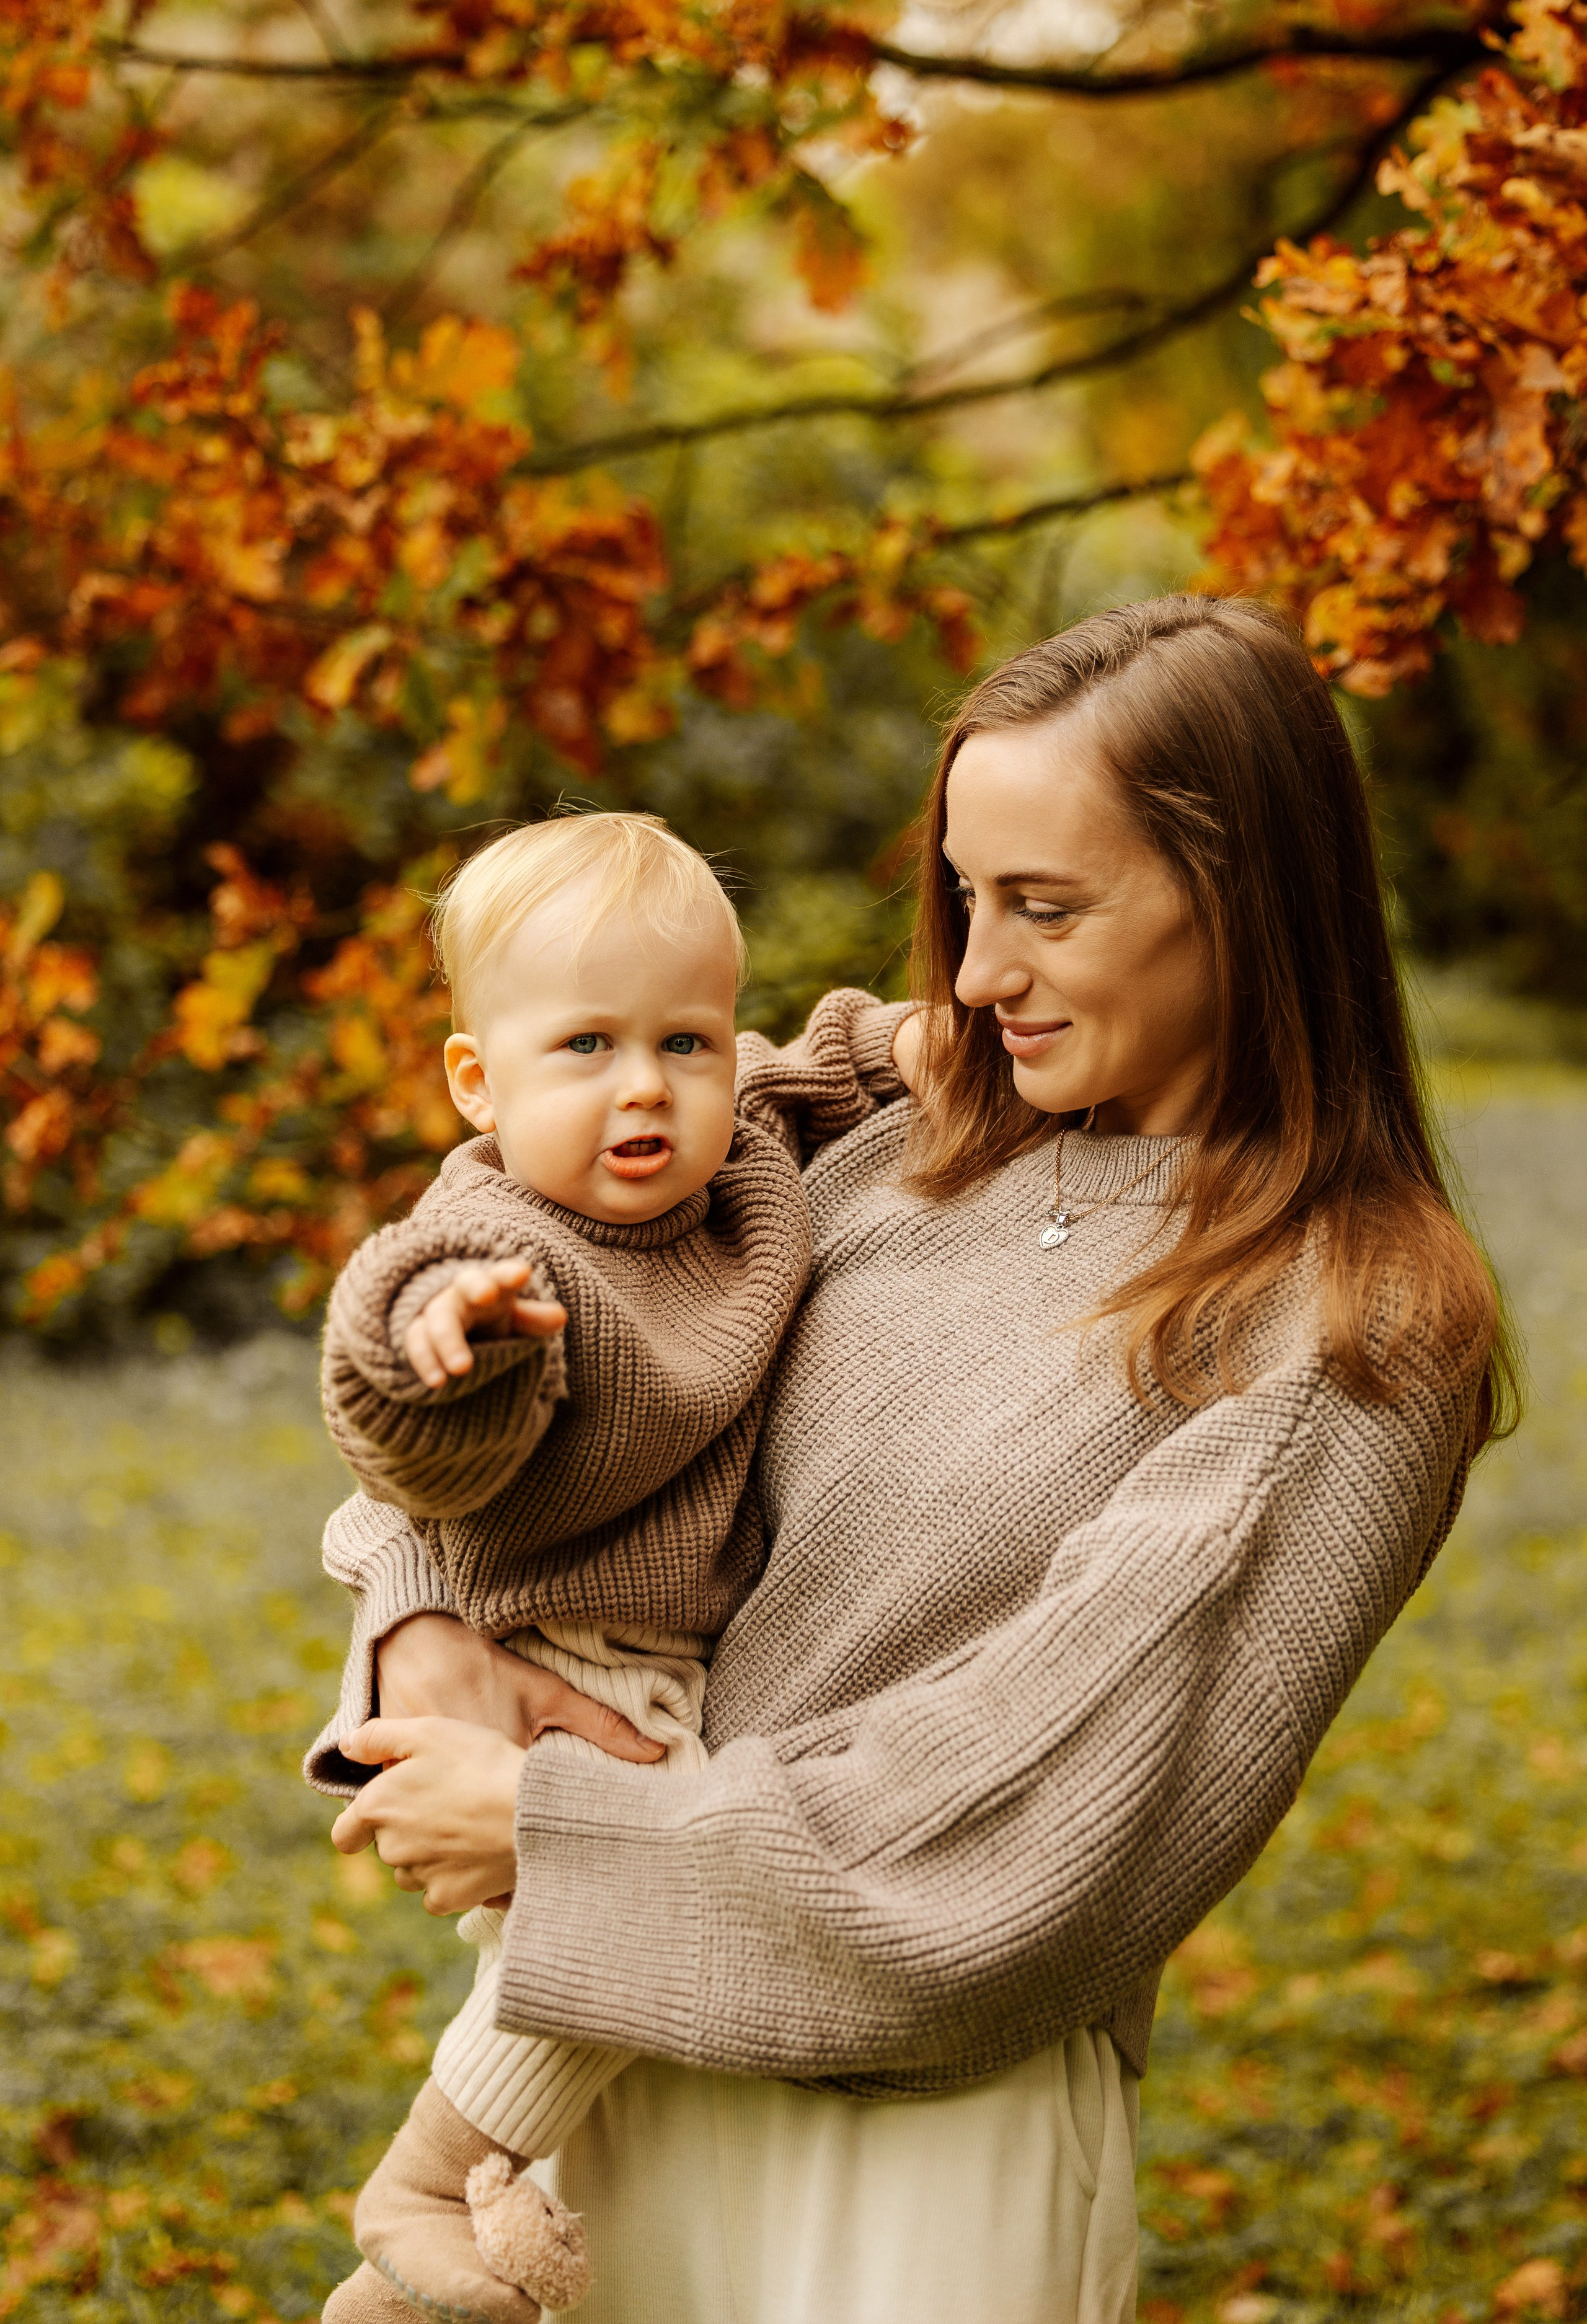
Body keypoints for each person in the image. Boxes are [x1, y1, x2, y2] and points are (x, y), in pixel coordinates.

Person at [328, 596, 1515, 2324]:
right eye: (965, 897)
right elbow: (540, 1372)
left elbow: (1038, 1833)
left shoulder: (1343, 1327)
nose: (969, 971)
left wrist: (545, 1824)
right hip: (607, 2056)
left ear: (1243, 903)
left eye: (1045, 909)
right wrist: (425, 1617)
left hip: (915, 2161)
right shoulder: (887, 1138)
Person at [305, 811, 907, 2323]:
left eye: (683, 1042)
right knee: (616, 1926)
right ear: (477, 1082)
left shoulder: (737, 1168)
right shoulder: (504, 1238)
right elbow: (404, 1349)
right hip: (552, 1642)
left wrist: (924, 1042)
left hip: (638, 1648)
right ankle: (426, 2186)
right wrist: (439, 1353)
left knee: (581, 1973)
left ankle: (452, 2251)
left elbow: (823, 1054)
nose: (644, 1086)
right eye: (582, 1046)